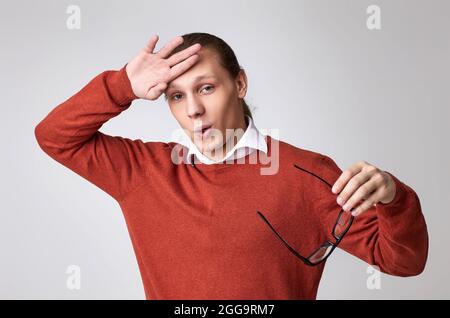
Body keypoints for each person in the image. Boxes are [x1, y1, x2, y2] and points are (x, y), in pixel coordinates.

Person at [34, 32, 428, 299]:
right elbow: (53, 136)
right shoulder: (142, 171)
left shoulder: (305, 175)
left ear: (239, 85)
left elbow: (401, 262)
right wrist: (122, 85)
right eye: (175, 96)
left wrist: (394, 198)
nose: (193, 110)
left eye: (207, 88)